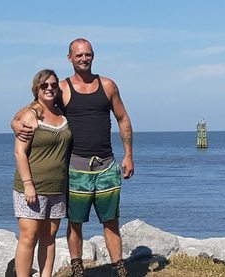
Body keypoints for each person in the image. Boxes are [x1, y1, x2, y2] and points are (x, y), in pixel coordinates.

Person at [12, 38, 134, 277]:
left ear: (93, 56)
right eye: (78, 55)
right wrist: (14, 122)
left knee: (111, 220)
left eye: (88, 54)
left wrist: (128, 154)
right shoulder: (62, 88)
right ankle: (77, 268)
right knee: (75, 221)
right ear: (70, 58)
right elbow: (33, 107)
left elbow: (122, 119)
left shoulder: (108, 85)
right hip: (76, 167)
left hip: (106, 164)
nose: (84, 58)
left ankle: (119, 268)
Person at [12, 69, 72, 277]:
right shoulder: (30, 115)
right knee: (28, 236)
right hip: (31, 188)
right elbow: (19, 152)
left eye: (53, 85)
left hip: (57, 188)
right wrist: (28, 184)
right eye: (44, 85)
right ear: (36, 89)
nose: (49, 89)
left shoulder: (61, 113)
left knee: (50, 236)